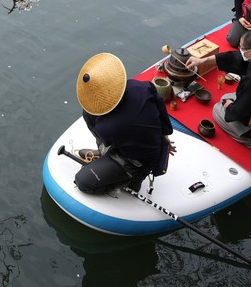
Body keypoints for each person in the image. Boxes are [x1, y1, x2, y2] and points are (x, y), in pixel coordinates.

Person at [73, 53, 176, 195]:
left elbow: (110, 137)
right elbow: (160, 106)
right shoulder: (140, 86)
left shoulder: (107, 127)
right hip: (147, 141)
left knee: (82, 181)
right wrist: (165, 134)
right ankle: (106, 156)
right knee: (87, 113)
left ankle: (131, 180)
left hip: (138, 161)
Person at [186, 30, 251, 154]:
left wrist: (229, 106)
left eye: (241, 47)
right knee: (226, 97)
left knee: (217, 110)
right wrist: (202, 61)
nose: (239, 49)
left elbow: (239, 113)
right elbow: (234, 58)